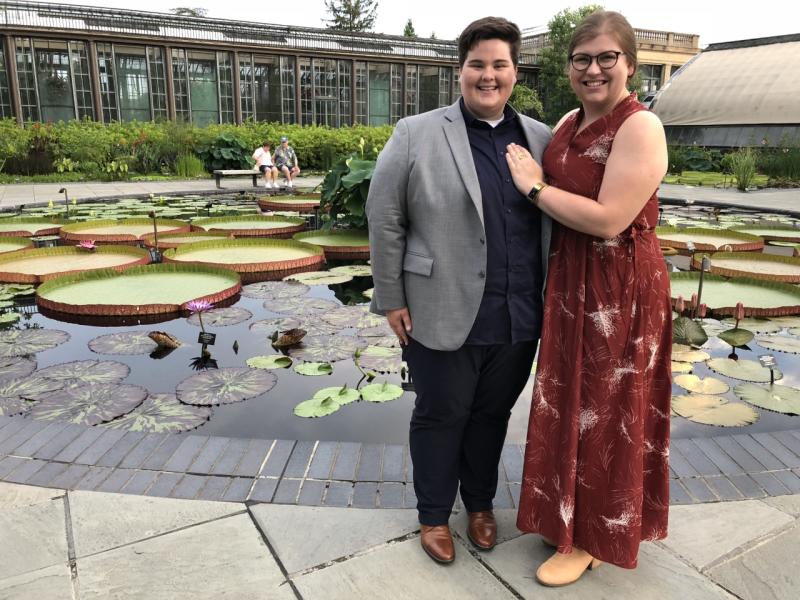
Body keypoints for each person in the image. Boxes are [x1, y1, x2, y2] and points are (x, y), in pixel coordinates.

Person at [367, 17, 551, 565]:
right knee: (440, 412)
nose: (488, 76)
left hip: (518, 313)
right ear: (460, 70)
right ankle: (431, 514)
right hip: (439, 307)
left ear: (515, 71)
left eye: (499, 65)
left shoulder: (541, 138)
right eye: (478, 64)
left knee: (492, 415)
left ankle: (479, 506)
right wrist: (391, 297)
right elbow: (384, 217)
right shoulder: (416, 132)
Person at [504, 10, 671, 587]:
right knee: (568, 398)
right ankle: (563, 517)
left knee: (608, 407)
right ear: (569, 67)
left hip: (618, 284)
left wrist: (533, 186)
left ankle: (594, 536)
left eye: (606, 58)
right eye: (582, 59)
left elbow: (609, 219)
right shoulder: (570, 120)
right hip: (572, 282)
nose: (593, 69)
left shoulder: (639, 126)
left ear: (629, 63)